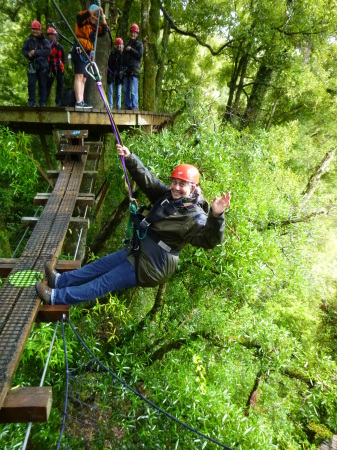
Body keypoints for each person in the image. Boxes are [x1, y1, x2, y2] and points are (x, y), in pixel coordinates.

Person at [36, 144, 231, 306]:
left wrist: (216, 215)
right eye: (174, 182)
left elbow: (210, 240)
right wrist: (130, 159)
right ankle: (60, 281)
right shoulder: (168, 197)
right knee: (99, 266)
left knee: (105, 282)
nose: (177, 188)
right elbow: (149, 182)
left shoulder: (195, 216)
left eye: (183, 184)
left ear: (193, 188)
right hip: (141, 248)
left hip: (154, 264)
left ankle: (56, 297)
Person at [72, 4, 108, 109]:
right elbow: (80, 16)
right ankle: (79, 101)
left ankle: (81, 101)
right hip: (80, 50)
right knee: (79, 76)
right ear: (90, 14)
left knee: (84, 78)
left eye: (97, 17)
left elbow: (104, 30)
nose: (95, 18)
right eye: (94, 15)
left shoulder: (94, 28)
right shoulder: (82, 22)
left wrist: (103, 16)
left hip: (87, 53)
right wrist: (96, 9)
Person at [21, 20, 50, 107]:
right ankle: (31, 102)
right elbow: (23, 50)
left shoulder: (44, 41)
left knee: (42, 83)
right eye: (33, 29)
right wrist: (28, 54)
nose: (35, 31)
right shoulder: (28, 40)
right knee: (31, 83)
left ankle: (42, 102)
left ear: (40, 30)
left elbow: (47, 51)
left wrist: (36, 52)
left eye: (37, 29)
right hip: (32, 64)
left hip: (42, 64)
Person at [122, 24, 143, 110]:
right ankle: (128, 106)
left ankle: (134, 107)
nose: (133, 34)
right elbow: (123, 56)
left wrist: (131, 49)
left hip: (135, 70)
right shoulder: (126, 43)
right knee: (126, 89)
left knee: (133, 91)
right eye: (132, 32)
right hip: (127, 70)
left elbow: (139, 55)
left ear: (137, 34)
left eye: (134, 33)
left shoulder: (139, 44)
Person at [46, 27, 65, 106]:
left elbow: (63, 58)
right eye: (49, 35)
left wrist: (60, 65)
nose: (51, 37)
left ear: (55, 36)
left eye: (52, 35)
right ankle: (43, 101)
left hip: (59, 68)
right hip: (50, 69)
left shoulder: (60, 47)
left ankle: (58, 102)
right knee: (47, 85)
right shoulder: (47, 46)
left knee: (60, 85)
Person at [107, 38, 124, 109]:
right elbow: (109, 64)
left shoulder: (124, 54)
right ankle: (110, 106)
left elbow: (125, 65)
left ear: (122, 45)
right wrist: (110, 72)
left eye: (120, 45)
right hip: (112, 73)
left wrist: (121, 72)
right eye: (117, 45)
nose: (119, 46)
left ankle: (118, 107)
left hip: (119, 75)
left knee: (118, 92)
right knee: (110, 91)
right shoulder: (112, 53)